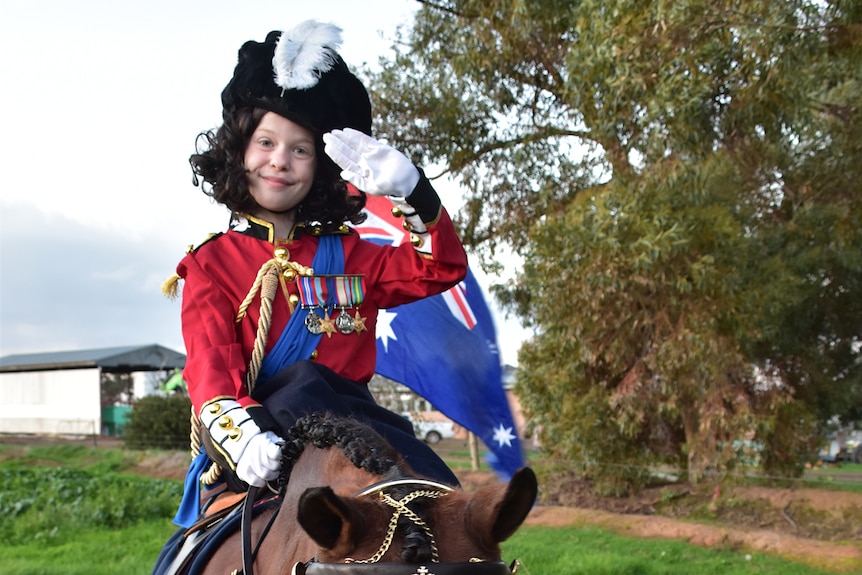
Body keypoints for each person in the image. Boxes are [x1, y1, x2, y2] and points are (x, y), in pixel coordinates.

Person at [162, 20, 468, 526]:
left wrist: (413, 190)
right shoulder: (210, 263)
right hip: (261, 448)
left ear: (319, 166)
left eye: (300, 149)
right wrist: (243, 438)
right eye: (266, 142)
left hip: (359, 440)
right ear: (239, 150)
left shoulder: (351, 255)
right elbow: (211, 371)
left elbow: (440, 267)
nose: (280, 161)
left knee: (450, 525)